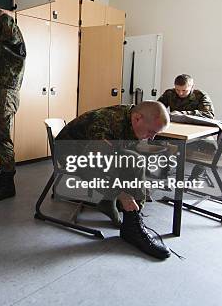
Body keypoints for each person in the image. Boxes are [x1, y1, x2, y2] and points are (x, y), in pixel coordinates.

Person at [56, 102, 172, 260]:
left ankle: (131, 223)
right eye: (151, 131)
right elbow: (90, 167)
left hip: (92, 152)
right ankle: (125, 215)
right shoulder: (105, 125)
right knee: (125, 166)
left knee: (135, 160)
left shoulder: (131, 117)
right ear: (138, 118)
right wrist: (120, 193)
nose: (152, 137)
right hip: (71, 155)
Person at [0, 9, 26, 202]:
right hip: (4, 90)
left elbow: (6, 25)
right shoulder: (5, 34)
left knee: (2, 137)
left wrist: (1, 19)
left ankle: (8, 185)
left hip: (7, 91)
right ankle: (4, 173)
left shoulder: (6, 23)